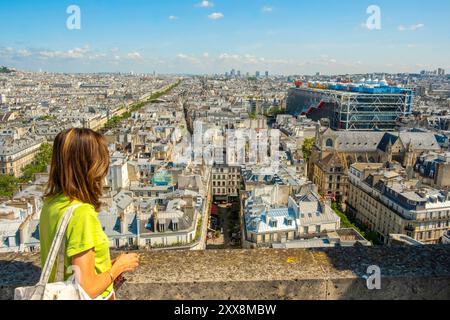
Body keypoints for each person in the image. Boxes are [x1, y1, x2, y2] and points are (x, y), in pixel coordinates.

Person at [39, 128, 139, 300]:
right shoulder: (81, 214)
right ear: (90, 168)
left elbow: (73, 265)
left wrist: (108, 265)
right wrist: (119, 267)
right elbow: (86, 288)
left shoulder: (51, 204)